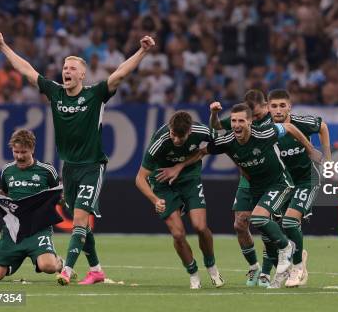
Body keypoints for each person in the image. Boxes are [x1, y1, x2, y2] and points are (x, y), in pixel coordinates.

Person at [0, 31, 155, 285]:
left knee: (79, 218)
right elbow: (26, 70)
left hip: (92, 166)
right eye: (65, 67)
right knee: (81, 224)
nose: (66, 71)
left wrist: (142, 52)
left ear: (82, 75)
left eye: (72, 68)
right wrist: (3, 46)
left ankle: (66, 270)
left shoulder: (95, 94)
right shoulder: (55, 93)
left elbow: (120, 73)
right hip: (69, 168)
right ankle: (97, 270)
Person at [205, 103, 323, 286]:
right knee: (244, 223)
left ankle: (283, 264)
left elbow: (296, 127)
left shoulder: (266, 130)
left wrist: (311, 150)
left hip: (277, 180)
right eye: (234, 121)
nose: (236, 124)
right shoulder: (230, 136)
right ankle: (261, 269)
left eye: (241, 120)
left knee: (271, 221)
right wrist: (179, 166)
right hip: (251, 181)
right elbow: (211, 135)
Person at [134, 111, 223, 289]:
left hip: (189, 179)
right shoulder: (159, 141)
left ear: (189, 131)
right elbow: (139, 178)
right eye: (173, 135)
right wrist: (155, 200)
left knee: (200, 227)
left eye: (180, 137)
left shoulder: (201, 131)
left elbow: (221, 142)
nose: (175, 140)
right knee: (178, 234)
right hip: (162, 184)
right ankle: (193, 274)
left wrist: (180, 166)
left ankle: (211, 266)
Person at [265, 89, 332, 288]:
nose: (278, 110)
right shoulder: (264, 129)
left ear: (289, 107)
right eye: (274, 106)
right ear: (268, 108)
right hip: (283, 183)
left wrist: (327, 158)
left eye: (282, 105)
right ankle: (297, 253)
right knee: (275, 227)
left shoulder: (300, 122)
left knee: (289, 222)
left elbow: (323, 126)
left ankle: (298, 267)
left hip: (306, 179)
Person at [0, 129, 64, 281]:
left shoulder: (47, 170)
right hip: (13, 231)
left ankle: (60, 263)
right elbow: (6, 193)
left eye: (23, 152)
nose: (19, 156)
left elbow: (59, 193)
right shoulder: (7, 170)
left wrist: (64, 199)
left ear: (32, 149)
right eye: (16, 151)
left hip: (38, 229)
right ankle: (14, 262)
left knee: (49, 267)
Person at [208, 89, 273, 286]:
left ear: (265, 107)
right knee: (240, 224)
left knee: (266, 225)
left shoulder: (273, 121)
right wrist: (214, 113)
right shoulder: (240, 119)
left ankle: (267, 273)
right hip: (248, 179)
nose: (257, 117)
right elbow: (218, 127)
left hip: (270, 179)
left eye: (258, 114)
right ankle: (254, 268)